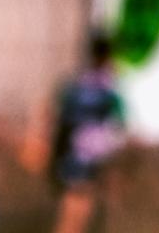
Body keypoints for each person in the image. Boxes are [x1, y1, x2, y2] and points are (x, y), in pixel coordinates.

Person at [45, 33, 128, 233]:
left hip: (69, 154)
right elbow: (119, 125)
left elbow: (53, 115)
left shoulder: (74, 85)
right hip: (90, 156)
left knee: (71, 210)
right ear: (109, 56)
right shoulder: (108, 89)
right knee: (78, 212)